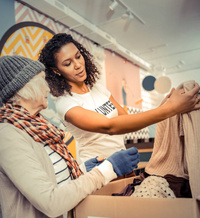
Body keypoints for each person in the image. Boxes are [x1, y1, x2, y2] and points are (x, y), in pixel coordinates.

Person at [0, 55, 140, 218]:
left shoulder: (38, 126)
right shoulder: (8, 136)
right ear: (24, 88)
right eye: (41, 80)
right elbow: (51, 200)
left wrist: (84, 168)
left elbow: (50, 176)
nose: (47, 86)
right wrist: (107, 170)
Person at [38, 33, 200, 165]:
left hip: (123, 160)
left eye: (78, 56)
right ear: (56, 70)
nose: (78, 65)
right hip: (97, 167)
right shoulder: (65, 103)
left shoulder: (99, 89)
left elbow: (126, 120)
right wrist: (169, 109)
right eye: (67, 63)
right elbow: (109, 126)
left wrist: (167, 104)